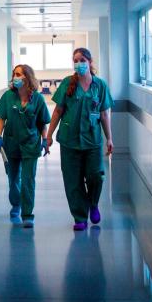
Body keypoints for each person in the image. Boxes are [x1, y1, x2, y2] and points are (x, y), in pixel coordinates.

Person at [46, 48, 114, 231]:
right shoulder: (68, 83)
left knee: (96, 176)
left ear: (90, 62)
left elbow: (104, 114)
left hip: (92, 141)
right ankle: (80, 217)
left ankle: (93, 204)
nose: (78, 64)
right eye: (75, 60)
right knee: (72, 180)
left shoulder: (100, 86)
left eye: (82, 60)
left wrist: (109, 138)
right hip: (70, 140)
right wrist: (49, 134)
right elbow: (58, 111)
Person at [0, 64, 51, 228]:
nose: (15, 77)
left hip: (31, 144)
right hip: (11, 143)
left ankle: (27, 214)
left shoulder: (38, 99)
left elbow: (42, 123)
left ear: (27, 77)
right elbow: (1, 119)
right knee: (13, 180)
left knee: (28, 180)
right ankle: (16, 205)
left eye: (18, 74)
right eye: (14, 74)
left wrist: (45, 140)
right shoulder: (8, 96)